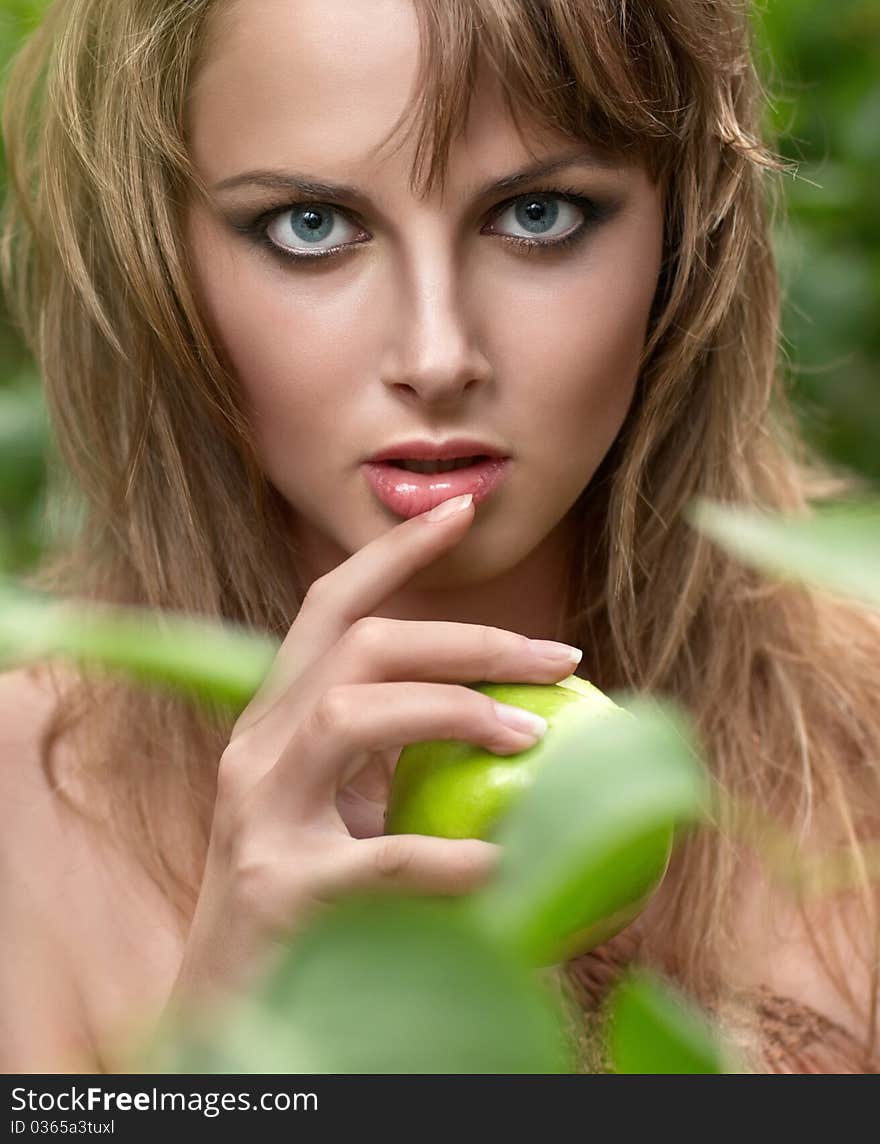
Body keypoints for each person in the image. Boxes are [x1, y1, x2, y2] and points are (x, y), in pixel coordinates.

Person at [1, 0, 878, 1075]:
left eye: (540, 215)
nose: (436, 352)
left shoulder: (861, 753)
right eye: (310, 226)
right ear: (161, 260)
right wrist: (223, 1053)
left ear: (684, 233)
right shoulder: (27, 808)